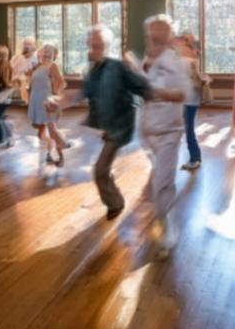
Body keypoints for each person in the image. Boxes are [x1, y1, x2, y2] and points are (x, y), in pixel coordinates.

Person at [47, 26, 179, 220]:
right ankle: (115, 192)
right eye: (93, 42)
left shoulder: (118, 67)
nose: (95, 45)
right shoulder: (92, 71)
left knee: (100, 170)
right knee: (103, 169)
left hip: (120, 128)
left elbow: (143, 88)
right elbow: (80, 94)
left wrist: (168, 99)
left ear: (106, 45)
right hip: (108, 127)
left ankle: (115, 203)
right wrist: (59, 103)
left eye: (99, 42)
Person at [137, 16, 188, 258]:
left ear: (169, 37)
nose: (155, 38)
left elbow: (182, 94)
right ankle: (162, 205)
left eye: (160, 34)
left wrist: (157, 92)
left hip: (169, 131)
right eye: (152, 34)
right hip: (147, 132)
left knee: (162, 182)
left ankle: (166, 223)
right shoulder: (145, 62)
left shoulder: (175, 63)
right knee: (158, 177)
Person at [27, 44, 68, 169]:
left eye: (49, 52)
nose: (46, 54)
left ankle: (61, 155)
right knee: (41, 133)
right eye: (44, 51)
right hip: (36, 100)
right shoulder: (37, 66)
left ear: (54, 55)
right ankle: (49, 153)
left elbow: (62, 83)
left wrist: (54, 96)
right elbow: (29, 82)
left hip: (47, 101)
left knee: (52, 130)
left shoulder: (53, 66)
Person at [174, 33, 204, 171]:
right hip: (190, 97)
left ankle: (195, 158)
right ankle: (195, 157)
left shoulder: (183, 57)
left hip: (187, 97)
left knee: (187, 129)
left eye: (181, 38)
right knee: (187, 129)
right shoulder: (192, 55)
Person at [0, 45, 15, 150]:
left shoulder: (7, 66)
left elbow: (7, 83)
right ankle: (9, 137)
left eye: (0, 54)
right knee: (0, 118)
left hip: (3, 96)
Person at [10, 37, 37, 102]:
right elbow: (10, 69)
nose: (26, 48)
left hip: (29, 85)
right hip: (15, 84)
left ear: (33, 48)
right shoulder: (16, 57)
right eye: (25, 45)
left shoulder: (35, 59)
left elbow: (35, 73)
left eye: (29, 45)